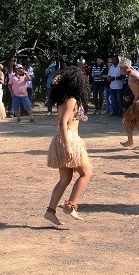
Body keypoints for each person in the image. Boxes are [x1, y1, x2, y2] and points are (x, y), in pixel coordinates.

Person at [44, 66, 93, 225]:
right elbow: (62, 123)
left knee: (65, 178)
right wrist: (67, 145)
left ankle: (50, 211)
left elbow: (68, 119)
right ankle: (70, 205)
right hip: (69, 138)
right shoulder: (71, 100)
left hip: (63, 138)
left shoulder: (64, 100)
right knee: (86, 173)